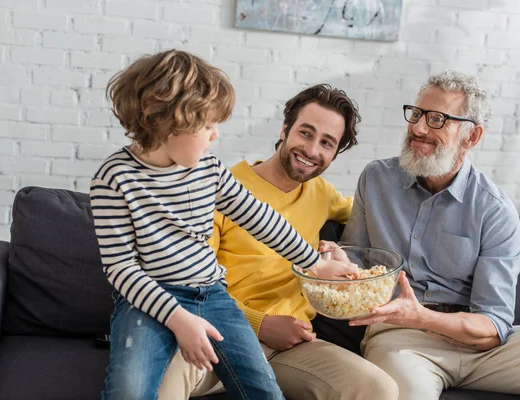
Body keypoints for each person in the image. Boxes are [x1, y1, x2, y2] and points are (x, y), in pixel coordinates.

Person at [89, 50, 360, 400]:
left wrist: (316, 263)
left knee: (264, 391)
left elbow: (262, 219)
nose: (215, 135)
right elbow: (121, 269)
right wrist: (176, 317)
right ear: (168, 121)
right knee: (129, 391)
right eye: (208, 125)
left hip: (212, 296)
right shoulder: (114, 179)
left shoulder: (209, 171)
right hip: (145, 302)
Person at [321, 70, 520, 399]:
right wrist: (340, 259)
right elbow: (357, 255)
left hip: (481, 346)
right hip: (400, 337)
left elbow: (493, 325)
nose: (417, 128)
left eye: (437, 119)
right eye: (416, 114)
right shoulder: (377, 179)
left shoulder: (493, 209)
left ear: (471, 137)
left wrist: (424, 316)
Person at [159, 84, 399, 399]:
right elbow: (191, 289)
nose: (313, 150)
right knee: (161, 376)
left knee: (379, 388)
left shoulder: (322, 195)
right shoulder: (220, 191)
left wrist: (340, 252)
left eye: (327, 143)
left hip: (293, 349)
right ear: (285, 129)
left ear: (335, 153)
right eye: (306, 133)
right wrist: (260, 324)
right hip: (218, 333)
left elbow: (368, 210)